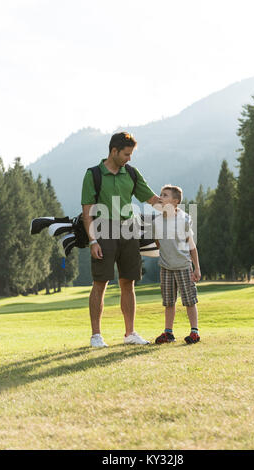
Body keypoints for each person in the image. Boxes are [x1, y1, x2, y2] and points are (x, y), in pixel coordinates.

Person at [81, 132, 161, 348]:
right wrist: (93, 241)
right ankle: (96, 336)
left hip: (129, 229)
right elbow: (87, 211)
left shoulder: (132, 173)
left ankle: (130, 333)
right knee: (100, 283)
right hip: (103, 229)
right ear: (114, 151)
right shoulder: (94, 174)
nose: (129, 158)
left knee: (129, 281)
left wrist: (173, 209)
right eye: (126, 154)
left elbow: (152, 198)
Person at [153, 184, 202, 345]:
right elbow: (158, 242)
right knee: (168, 302)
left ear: (175, 201)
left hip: (183, 267)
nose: (160, 197)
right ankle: (168, 333)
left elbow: (191, 245)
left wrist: (196, 267)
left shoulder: (185, 219)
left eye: (165, 195)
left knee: (189, 301)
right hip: (166, 268)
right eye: (160, 194)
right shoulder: (157, 221)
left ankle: (194, 332)